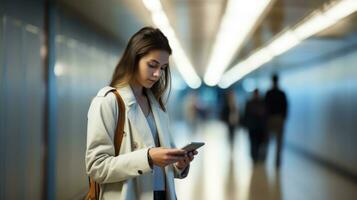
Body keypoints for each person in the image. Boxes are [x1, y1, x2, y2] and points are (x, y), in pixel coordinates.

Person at [85, 27, 198, 200]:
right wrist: (148, 158)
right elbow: (96, 166)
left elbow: (165, 163)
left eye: (163, 68)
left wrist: (179, 164)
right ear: (134, 59)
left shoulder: (157, 105)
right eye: (152, 65)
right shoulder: (107, 102)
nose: (157, 74)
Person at [265, 74, 288, 169]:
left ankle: (264, 159)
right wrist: (283, 118)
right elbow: (286, 107)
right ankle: (277, 163)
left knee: (267, 141)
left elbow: (265, 107)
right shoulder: (282, 93)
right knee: (279, 142)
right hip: (279, 119)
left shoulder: (268, 93)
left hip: (270, 119)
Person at [244, 89, 267, 164]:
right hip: (252, 127)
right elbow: (246, 115)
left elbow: (265, 115)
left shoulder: (262, 103)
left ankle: (257, 157)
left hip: (260, 127)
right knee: (253, 143)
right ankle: (254, 157)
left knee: (259, 143)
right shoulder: (250, 103)